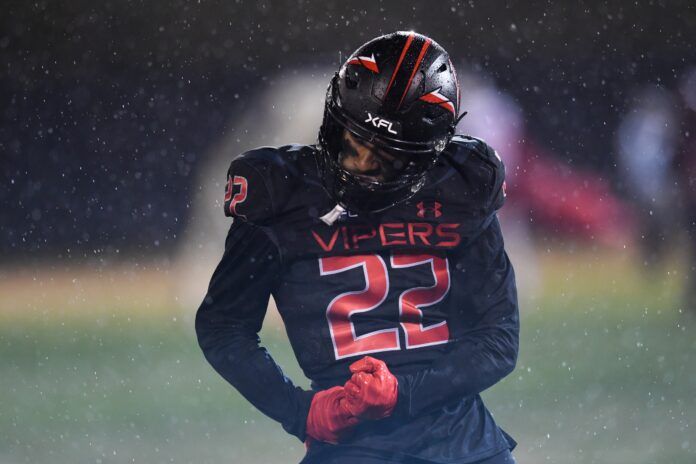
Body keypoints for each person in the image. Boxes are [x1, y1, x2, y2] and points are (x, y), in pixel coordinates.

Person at [195, 31, 519, 464]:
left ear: (426, 158)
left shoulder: (460, 186)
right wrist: (301, 412)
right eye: (353, 141)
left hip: (462, 445)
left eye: (384, 156)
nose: (359, 165)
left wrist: (402, 395)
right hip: (357, 444)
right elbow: (224, 327)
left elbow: (498, 339)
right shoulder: (282, 193)